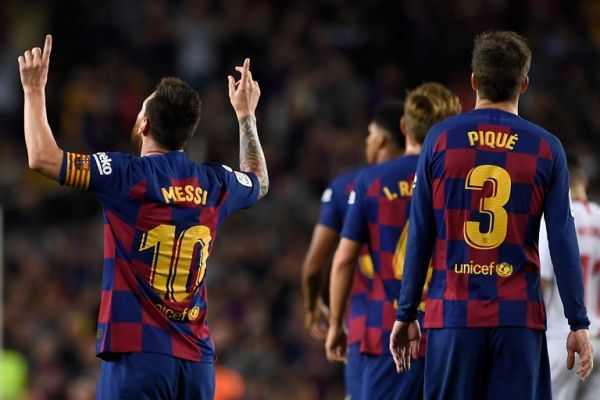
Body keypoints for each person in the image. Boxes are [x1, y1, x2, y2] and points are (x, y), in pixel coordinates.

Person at [18, 35, 268, 399]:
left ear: (145, 124)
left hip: (138, 356)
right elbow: (259, 181)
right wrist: (246, 115)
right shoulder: (215, 182)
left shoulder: (125, 176)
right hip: (197, 361)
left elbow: (42, 158)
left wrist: (34, 90)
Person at [390, 31, 593, 400]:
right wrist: (577, 322)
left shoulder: (440, 139)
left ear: (474, 80)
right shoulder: (546, 148)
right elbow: (562, 237)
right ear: (524, 83)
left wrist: (406, 313)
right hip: (518, 319)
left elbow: (420, 231)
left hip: (453, 315)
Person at [325, 83, 461, 400]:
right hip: (454, 330)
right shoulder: (460, 180)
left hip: (391, 333)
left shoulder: (372, 180)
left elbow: (344, 258)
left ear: (404, 126)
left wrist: (335, 324)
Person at [301, 101, 405, 399]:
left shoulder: (352, 186)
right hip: (433, 327)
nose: (366, 140)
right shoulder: (433, 180)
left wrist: (313, 308)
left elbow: (314, 265)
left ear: (383, 138)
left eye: (370, 133)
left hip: (370, 327)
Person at [539, 155, 600, 400]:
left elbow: (542, 281)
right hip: (597, 336)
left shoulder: (555, 219)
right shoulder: (599, 215)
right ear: (583, 180)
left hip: (562, 338)